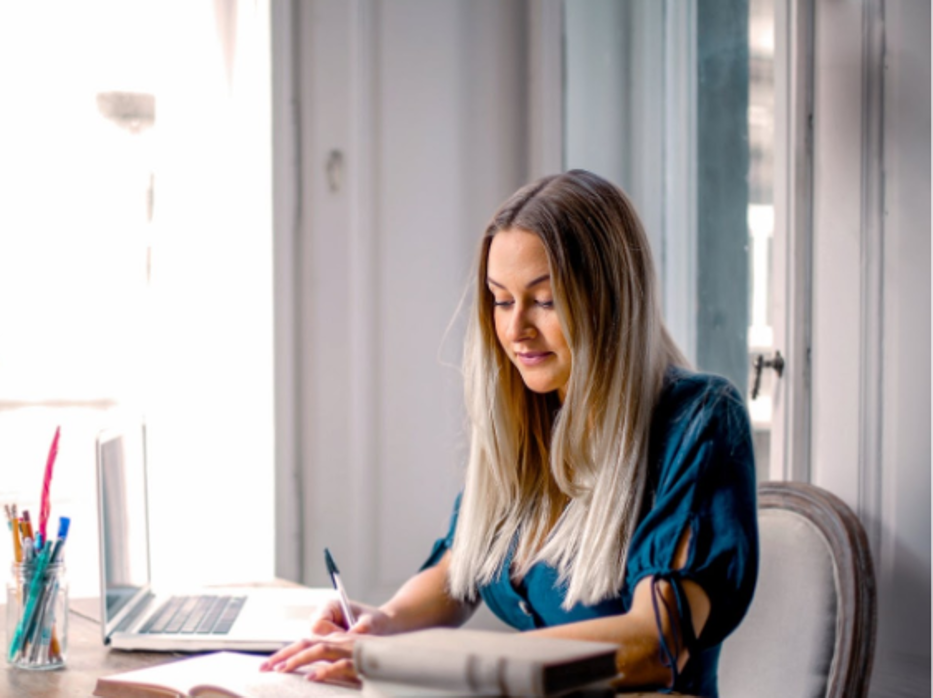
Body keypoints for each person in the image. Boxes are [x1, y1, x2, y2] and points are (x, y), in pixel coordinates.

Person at [261, 169, 758, 697]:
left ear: (612, 302)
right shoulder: (532, 415)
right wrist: (383, 623)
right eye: (501, 300)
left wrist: (434, 662)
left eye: (544, 301)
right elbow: (463, 567)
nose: (516, 329)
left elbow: (653, 643)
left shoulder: (699, 422)